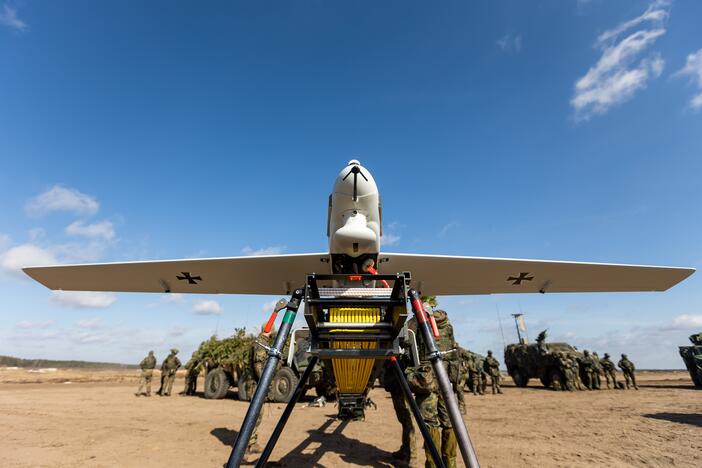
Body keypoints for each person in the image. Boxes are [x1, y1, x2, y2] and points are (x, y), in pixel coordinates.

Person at [407, 305, 457, 468]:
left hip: (427, 380)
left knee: (429, 424)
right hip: (447, 378)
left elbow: (406, 340)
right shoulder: (446, 323)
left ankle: (433, 464)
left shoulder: (417, 323)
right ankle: (451, 463)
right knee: (450, 422)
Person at [382, 355, 417, 466]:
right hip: (396, 385)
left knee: (407, 421)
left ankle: (411, 457)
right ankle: (404, 450)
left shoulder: (405, 349)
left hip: (402, 385)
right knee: (403, 419)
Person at [246, 328, 272, 456]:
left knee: (256, 414)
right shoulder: (262, 343)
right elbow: (258, 365)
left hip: (254, 383)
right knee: (256, 414)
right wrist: (265, 382)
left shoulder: (258, 342)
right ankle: (250, 444)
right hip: (256, 385)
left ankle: (250, 442)